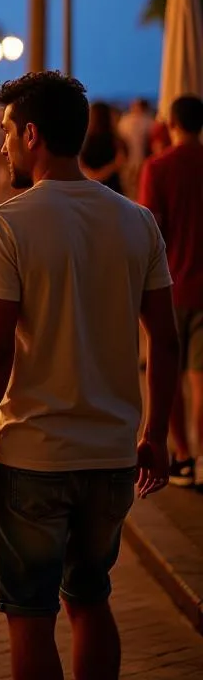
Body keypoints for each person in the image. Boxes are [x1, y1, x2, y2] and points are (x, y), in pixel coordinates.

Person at [0, 72, 180, 680]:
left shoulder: (5, 224)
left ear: (31, 135)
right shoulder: (136, 222)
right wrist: (155, 433)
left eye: (6, 133)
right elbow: (165, 337)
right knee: (91, 599)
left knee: (29, 614)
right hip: (111, 453)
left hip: (34, 452)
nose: (1, 147)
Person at [139, 95, 203, 487]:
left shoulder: (158, 168)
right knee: (200, 377)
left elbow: (149, 230)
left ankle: (183, 453)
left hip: (171, 283)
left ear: (172, 123)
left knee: (170, 372)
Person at [80, 101, 127, 194]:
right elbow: (120, 161)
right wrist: (104, 173)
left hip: (90, 186)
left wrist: (94, 176)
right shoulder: (115, 139)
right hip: (112, 188)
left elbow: (80, 162)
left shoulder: (85, 138)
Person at [118, 98, 154, 195]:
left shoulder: (125, 120)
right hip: (142, 159)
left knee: (128, 187)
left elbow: (120, 140)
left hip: (129, 159)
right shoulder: (149, 121)